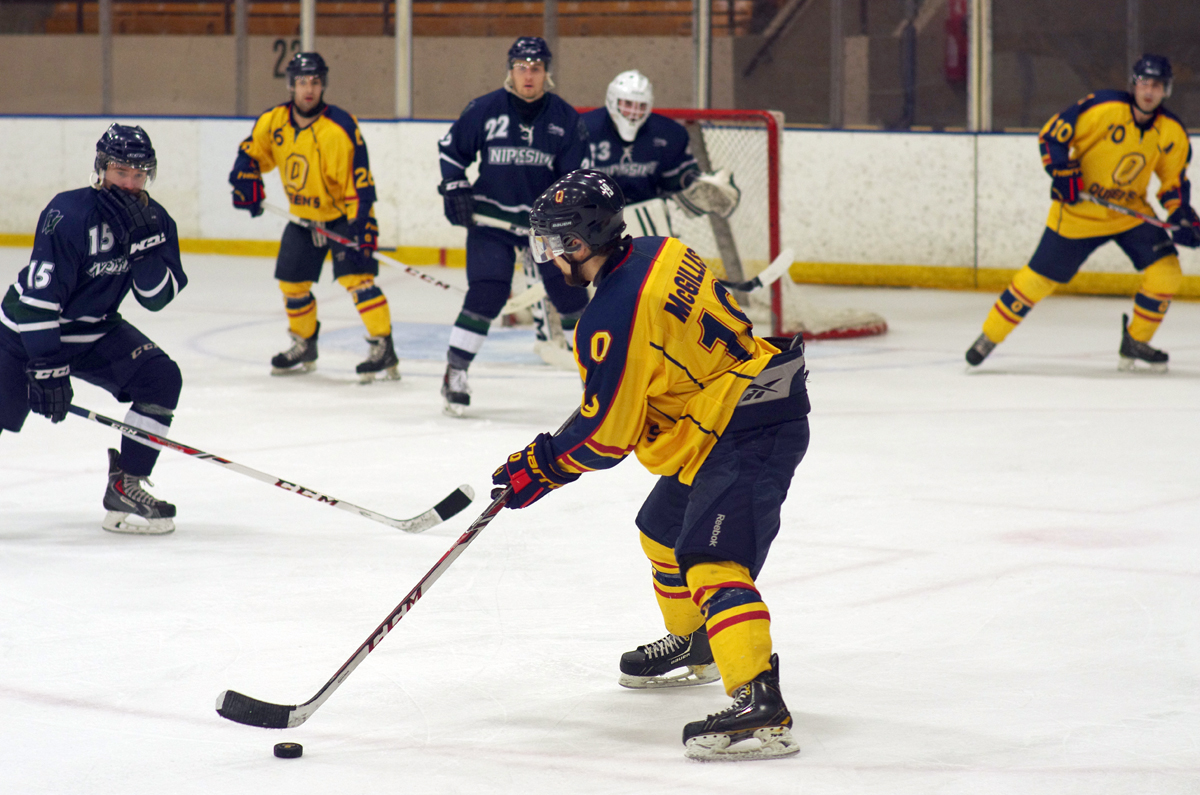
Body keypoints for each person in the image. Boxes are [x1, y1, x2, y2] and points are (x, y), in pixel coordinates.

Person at [491, 170, 810, 761]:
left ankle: (760, 703)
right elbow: (640, 384)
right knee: (661, 532)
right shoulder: (660, 251)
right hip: (733, 406)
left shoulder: (610, 315)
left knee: (711, 559)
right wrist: (557, 449)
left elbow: (608, 437)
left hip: (748, 424)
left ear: (581, 244)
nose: (550, 258)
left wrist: (540, 466)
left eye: (554, 244)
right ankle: (698, 643)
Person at [0, 124, 187, 534]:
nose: (131, 183)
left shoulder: (155, 220)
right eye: (122, 172)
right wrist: (47, 364)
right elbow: (40, 301)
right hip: (26, 333)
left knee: (160, 377)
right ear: (101, 169)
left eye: (140, 175)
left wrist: (144, 247)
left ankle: (127, 483)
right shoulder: (68, 213)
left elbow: (156, 297)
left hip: (95, 330)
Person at [966, 54, 1198, 372]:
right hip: (1079, 213)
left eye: (1157, 85)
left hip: (1128, 213)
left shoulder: (1171, 132)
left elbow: (1173, 184)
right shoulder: (1101, 108)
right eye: (1144, 83)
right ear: (1134, 84)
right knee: (1037, 280)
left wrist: (1181, 214)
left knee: (1167, 273)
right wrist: (1062, 173)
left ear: (1166, 91)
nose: (1149, 91)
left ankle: (1136, 341)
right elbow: (1052, 136)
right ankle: (989, 337)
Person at [436, 36, 590, 415]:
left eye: (535, 68)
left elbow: (577, 177)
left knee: (572, 298)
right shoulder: (485, 110)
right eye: (521, 67)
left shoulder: (565, 119)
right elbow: (450, 149)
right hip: (492, 220)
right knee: (487, 294)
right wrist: (454, 185)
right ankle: (455, 370)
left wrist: (572, 218)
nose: (528, 75)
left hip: (546, 224)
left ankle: (598, 381)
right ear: (510, 70)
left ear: (546, 74)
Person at [229, 51, 398, 382]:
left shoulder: (340, 127)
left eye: (316, 82)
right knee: (292, 284)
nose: (309, 89)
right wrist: (244, 176)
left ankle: (383, 346)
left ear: (324, 86)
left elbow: (360, 181)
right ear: (291, 85)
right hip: (303, 218)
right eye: (303, 82)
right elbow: (252, 153)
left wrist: (363, 223)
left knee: (358, 280)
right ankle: (304, 344)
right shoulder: (273, 121)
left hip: (340, 217)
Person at [581, 70, 739, 236]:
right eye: (628, 104)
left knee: (652, 259)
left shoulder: (667, 133)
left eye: (641, 106)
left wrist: (695, 183)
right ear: (612, 101)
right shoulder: (582, 130)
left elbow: (676, 178)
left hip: (646, 217)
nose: (634, 113)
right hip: (592, 218)